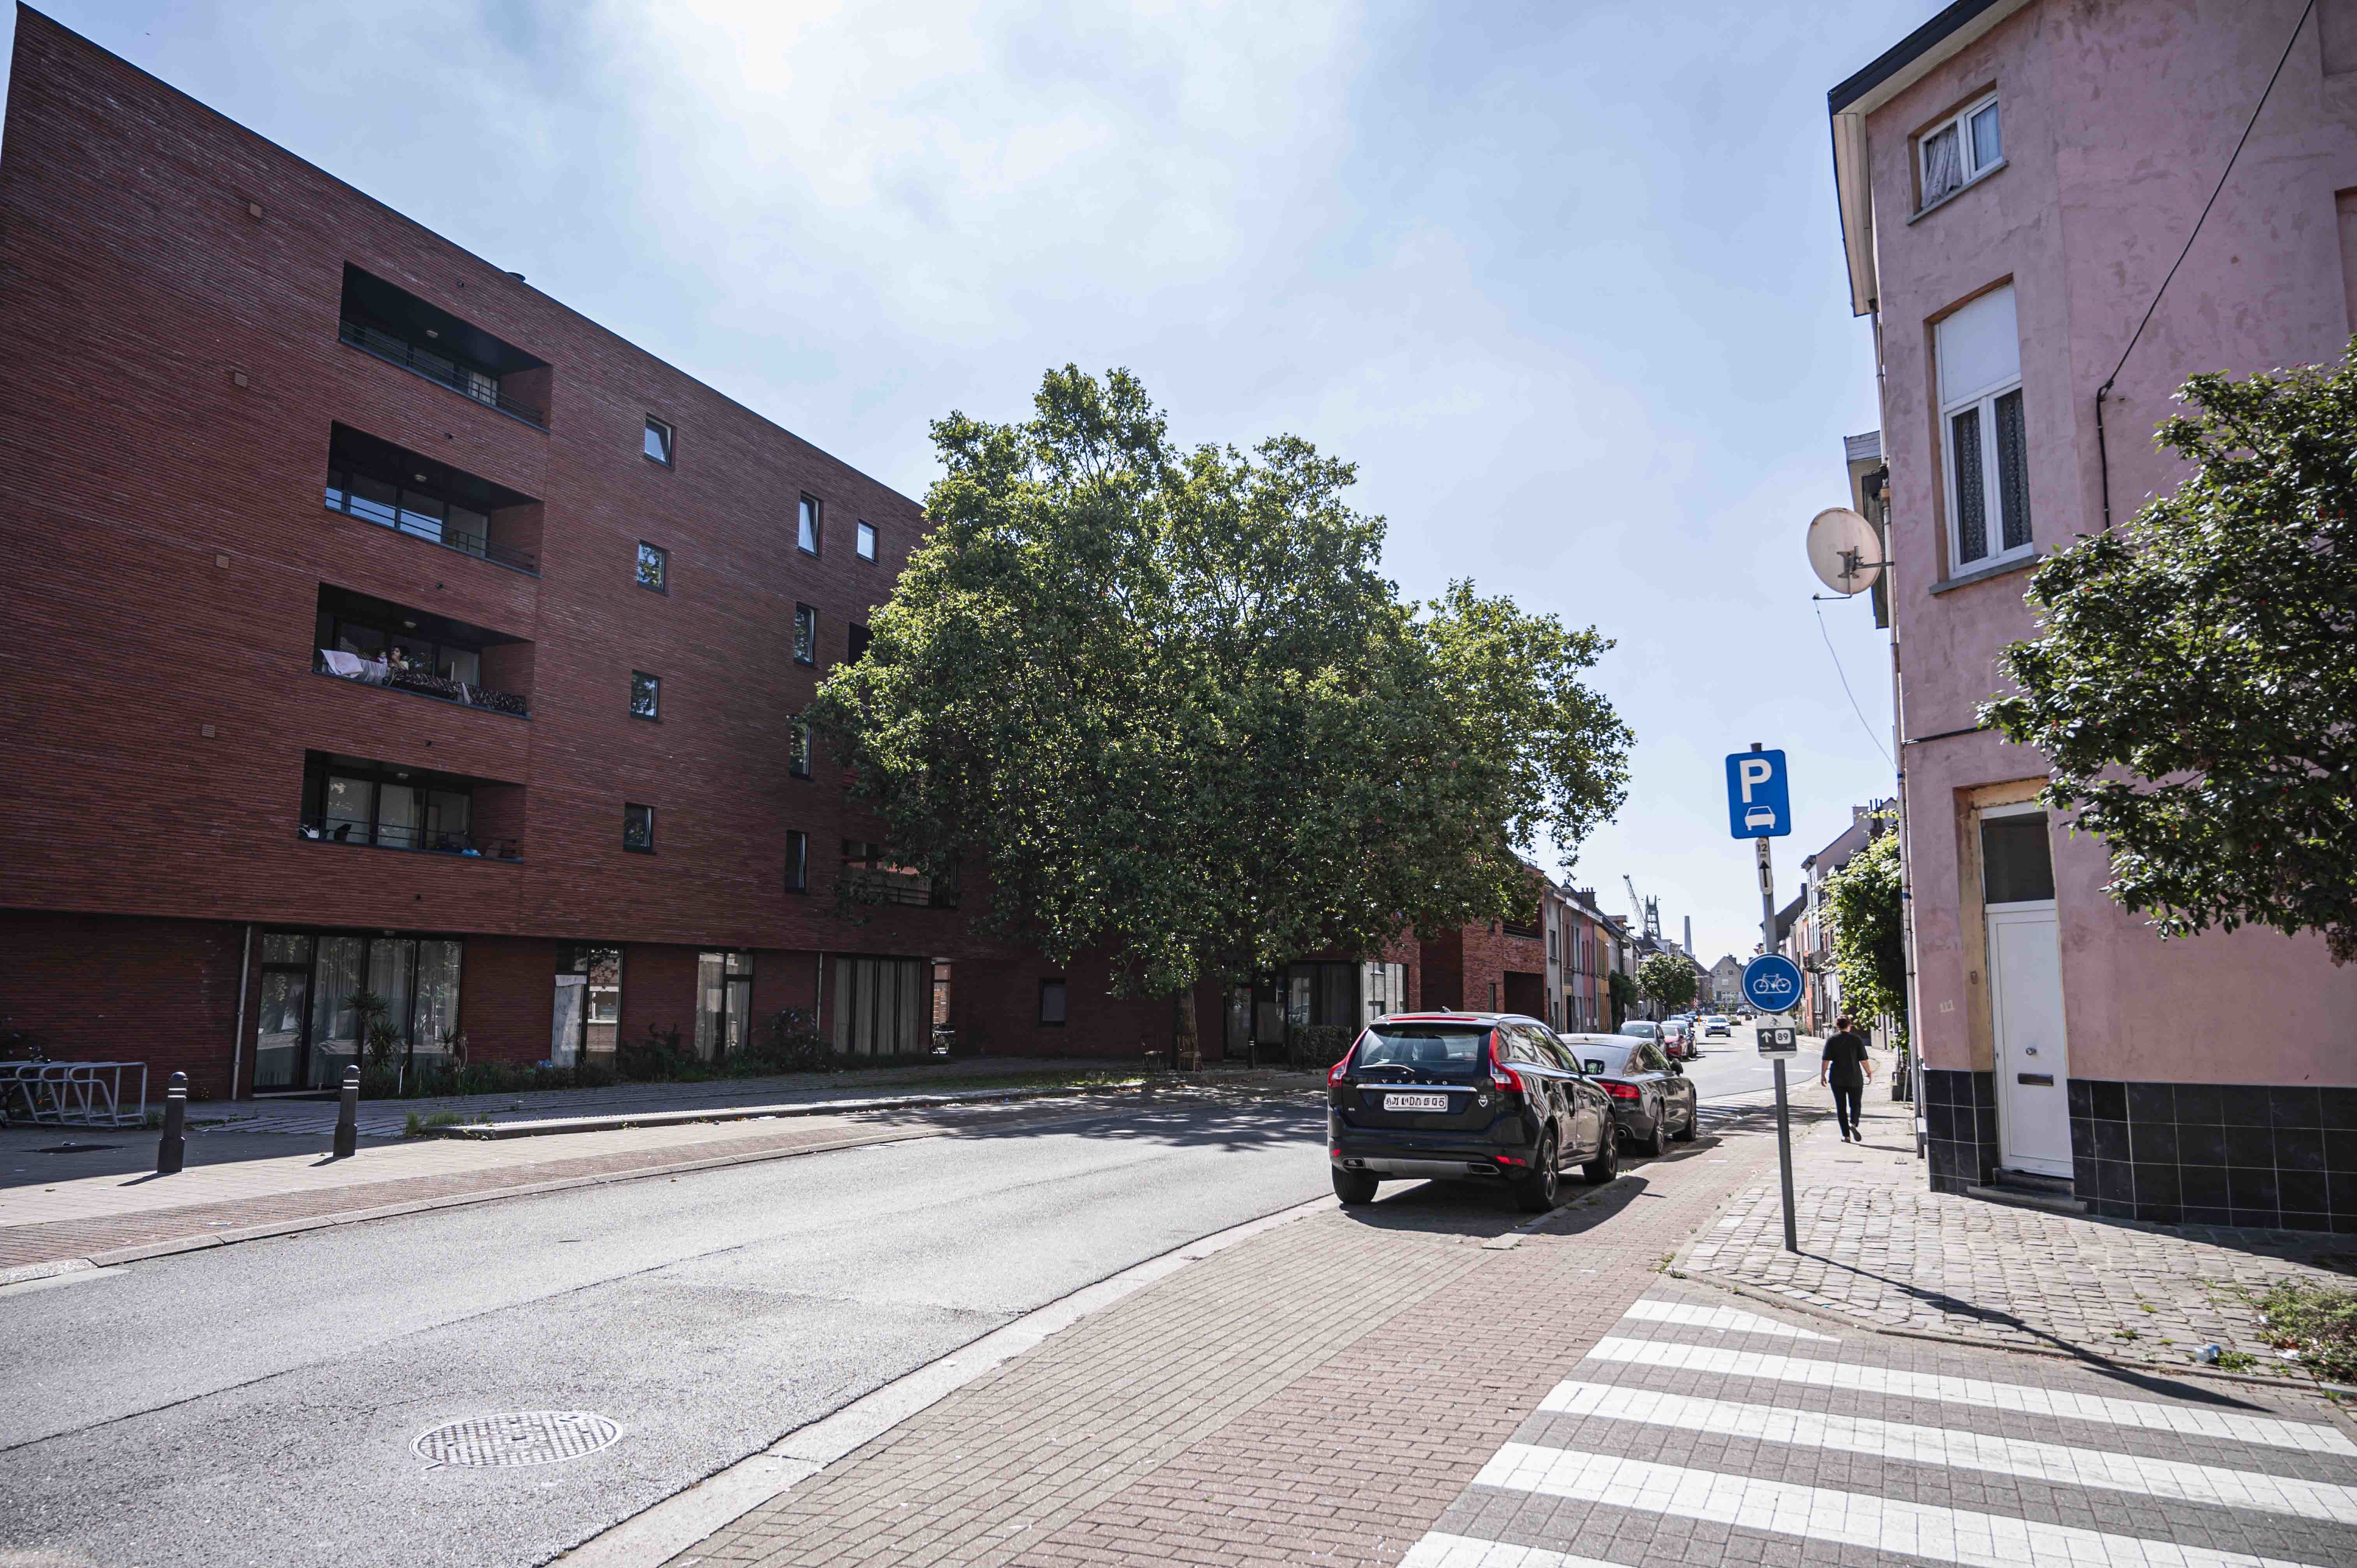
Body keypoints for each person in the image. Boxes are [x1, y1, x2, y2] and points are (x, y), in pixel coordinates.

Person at [1820, 1015, 1875, 1143]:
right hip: (1855, 1077)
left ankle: (1846, 1136)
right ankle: (1854, 1123)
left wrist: (1823, 1075)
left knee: (1841, 1106)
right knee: (1856, 1104)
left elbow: (1826, 1060)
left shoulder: (1832, 1040)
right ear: (1850, 1025)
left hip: (1837, 1078)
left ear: (1837, 1026)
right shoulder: (1857, 1040)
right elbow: (1864, 1060)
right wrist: (1869, 1073)